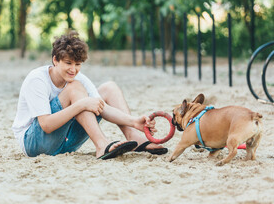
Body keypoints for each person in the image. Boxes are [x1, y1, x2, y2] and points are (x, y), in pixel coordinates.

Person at [12, 30, 168, 160]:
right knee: (77, 91)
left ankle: (133, 136)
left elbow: (102, 107)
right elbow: (45, 125)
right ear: (55, 60)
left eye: (78, 64)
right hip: (34, 144)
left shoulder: (76, 78)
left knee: (109, 88)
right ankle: (101, 144)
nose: (73, 69)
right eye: (68, 63)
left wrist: (134, 121)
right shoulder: (37, 79)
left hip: (66, 144)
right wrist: (81, 104)